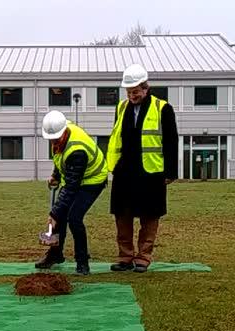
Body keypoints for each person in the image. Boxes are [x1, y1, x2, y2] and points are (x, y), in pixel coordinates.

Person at [107, 64, 179, 273]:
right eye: (129, 92)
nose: (132, 96)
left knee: (150, 216)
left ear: (146, 88)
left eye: (136, 92)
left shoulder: (163, 108)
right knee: (122, 216)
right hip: (124, 171)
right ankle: (125, 257)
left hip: (151, 172)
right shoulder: (121, 108)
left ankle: (143, 258)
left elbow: (171, 141)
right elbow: (115, 137)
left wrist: (170, 172)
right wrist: (113, 166)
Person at [34, 111, 107, 275]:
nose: (53, 142)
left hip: (92, 180)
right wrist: (56, 175)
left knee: (74, 218)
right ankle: (55, 255)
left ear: (64, 132)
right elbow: (60, 158)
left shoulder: (77, 150)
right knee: (60, 216)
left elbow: (72, 187)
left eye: (56, 139)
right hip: (74, 179)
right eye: (50, 139)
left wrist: (54, 213)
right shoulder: (58, 133)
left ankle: (82, 263)